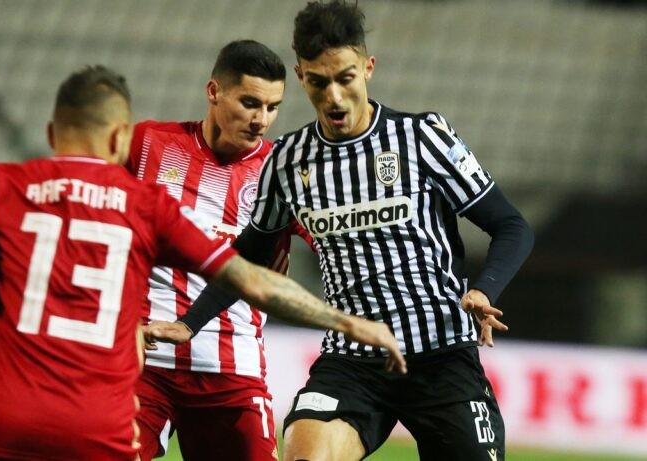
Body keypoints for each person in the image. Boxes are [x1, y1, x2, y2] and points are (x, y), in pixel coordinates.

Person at [0, 64, 405, 460]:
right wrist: (350, 322)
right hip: (100, 416)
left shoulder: (0, 184)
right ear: (119, 139)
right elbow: (253, 280)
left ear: (51, 132)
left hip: (7, 415)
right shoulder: (145, 205)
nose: (260, 118)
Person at [146, 2, 534, 460]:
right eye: (318, 81)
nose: (333, 96)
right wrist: (189, 324)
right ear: (300, 76)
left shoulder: (422, 137)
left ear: (368, 68)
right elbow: (249, 257)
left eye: (345, 78)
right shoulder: (287, 160)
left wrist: (485, 289)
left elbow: (511, 225)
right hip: (351, 364)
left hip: (441, 353)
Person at [128, 40, 313, 461]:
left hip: (232, 369)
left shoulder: (282, 172)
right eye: (250, 103)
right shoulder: (148, 144)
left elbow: (333, 244)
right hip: (145, 361)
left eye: (272, 107)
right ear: (214, 92)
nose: (261, 119)